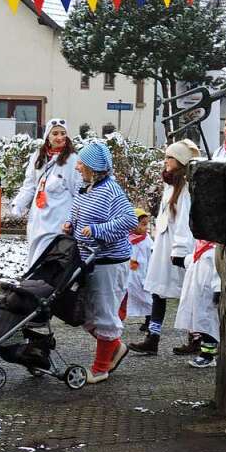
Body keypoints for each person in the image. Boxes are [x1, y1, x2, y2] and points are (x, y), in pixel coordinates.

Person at [63, 140, 139, 383]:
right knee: (85, 313)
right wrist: (71, 226)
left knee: (105, 315)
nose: (77, 168)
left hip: (109, 262)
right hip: (90, 260)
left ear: (93, 167)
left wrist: (97, 230)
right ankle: (115, 347)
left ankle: (100, 368)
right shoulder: (88, 188)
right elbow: (82, 216)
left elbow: (129, 220)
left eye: (81, 164)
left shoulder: (111, 191)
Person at [129, 139, 200, 355]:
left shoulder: (184, 189)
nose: (165, 161)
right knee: (158, 292)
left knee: (189, 293)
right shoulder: (170, 185)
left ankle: (196, 336)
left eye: (170, 157)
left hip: (176, 249)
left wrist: (179, 250)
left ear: (180, 161)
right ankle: (153, 337)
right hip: (163, 247)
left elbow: (183, 222)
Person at [10, 119, 82, 269]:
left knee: (51, 257)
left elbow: (78, 192)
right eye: (55, 133)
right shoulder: (38, 156)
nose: (59, 137)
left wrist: (72, 219)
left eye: (63, 133)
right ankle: (33, 286)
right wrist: (19, 204)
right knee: (35, 256)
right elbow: (29, 185)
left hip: (58, 220)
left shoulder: (72, 160)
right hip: (38, 218)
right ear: (47, 136)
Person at [175, 236, 221, 368]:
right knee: (201, 323)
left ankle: (208, 355)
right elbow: (194, 262)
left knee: (209, 324)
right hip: (199, 293)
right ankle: (205, 352)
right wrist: (183, 260)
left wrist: (218, 289)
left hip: (208, 293)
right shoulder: (201, 246)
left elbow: (218, 270)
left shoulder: (215, 249)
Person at [123, 207, 153, 330]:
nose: (145, 227)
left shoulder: (147, 241)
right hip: (129, 273)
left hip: (142, 272)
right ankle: (119, 317)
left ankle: (150, 319)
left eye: (146, 224)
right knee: (126, 296)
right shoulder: (126, 238)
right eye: (142, 224)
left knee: (146, 297)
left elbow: (151, 255)